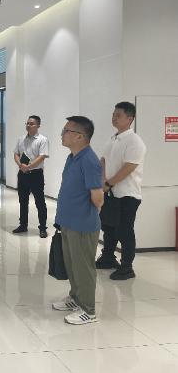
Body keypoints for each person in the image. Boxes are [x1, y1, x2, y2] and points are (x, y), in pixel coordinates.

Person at [52, 116, 104, 325]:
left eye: (66, 131)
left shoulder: (90, 160)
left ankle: (88, 310)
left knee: (83, 268)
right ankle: (75, 298)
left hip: (82, 224)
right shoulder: (72, 157)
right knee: (72, 265)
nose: (62, 134)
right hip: (68, 221)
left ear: (80, 136)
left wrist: (94, 210)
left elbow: (97, 196)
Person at [96, 102, 146, 280]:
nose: (114, 118)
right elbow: (102, 160)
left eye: (119, 115)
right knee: (109, 227)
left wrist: (109, 183)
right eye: (113, 114)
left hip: (127, 194)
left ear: (130, 119)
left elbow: (129, 167)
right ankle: (108, 257)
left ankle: (127, 266)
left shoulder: (134, 141)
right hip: (111, 193)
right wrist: (103, 180)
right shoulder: (112, 139)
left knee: (124, 231)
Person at [13, 115, 50, 238]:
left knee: (40, 201)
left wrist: (28, 167)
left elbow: (42, 157)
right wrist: (20, 165)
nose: (28, 125)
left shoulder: (42, 140)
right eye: (27, 123)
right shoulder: (21, 139)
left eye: (32, 124)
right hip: (22, 174)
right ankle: (23, 225)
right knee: (23, 200)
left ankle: (43, 227)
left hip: (36, 174)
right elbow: (16, 153)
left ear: (38, 126)